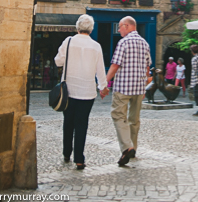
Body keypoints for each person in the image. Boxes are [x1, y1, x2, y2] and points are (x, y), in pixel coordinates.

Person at [54, 14, 109, 170]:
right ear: (91, 29)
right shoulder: (96, 46)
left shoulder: (69, 41)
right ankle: (79, 159)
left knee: (68, 122)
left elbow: (58, 61)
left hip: (69, 90)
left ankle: (66, 152)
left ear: (77, 27)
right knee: (82, 124)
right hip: (87, 92)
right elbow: (100, 71)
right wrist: (102, 88)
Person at [106, 16, 151, 167]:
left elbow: (115, 65)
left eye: (119, 27)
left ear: (126, 26)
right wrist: (144, 86)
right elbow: (147, 67)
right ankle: (134, 148)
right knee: (134, 119)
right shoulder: (145, 43)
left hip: (123, 88)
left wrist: (105, 82)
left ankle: (127, 147)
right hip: (138, 88)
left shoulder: (123, 42)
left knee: (118, 116)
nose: (118, 30)